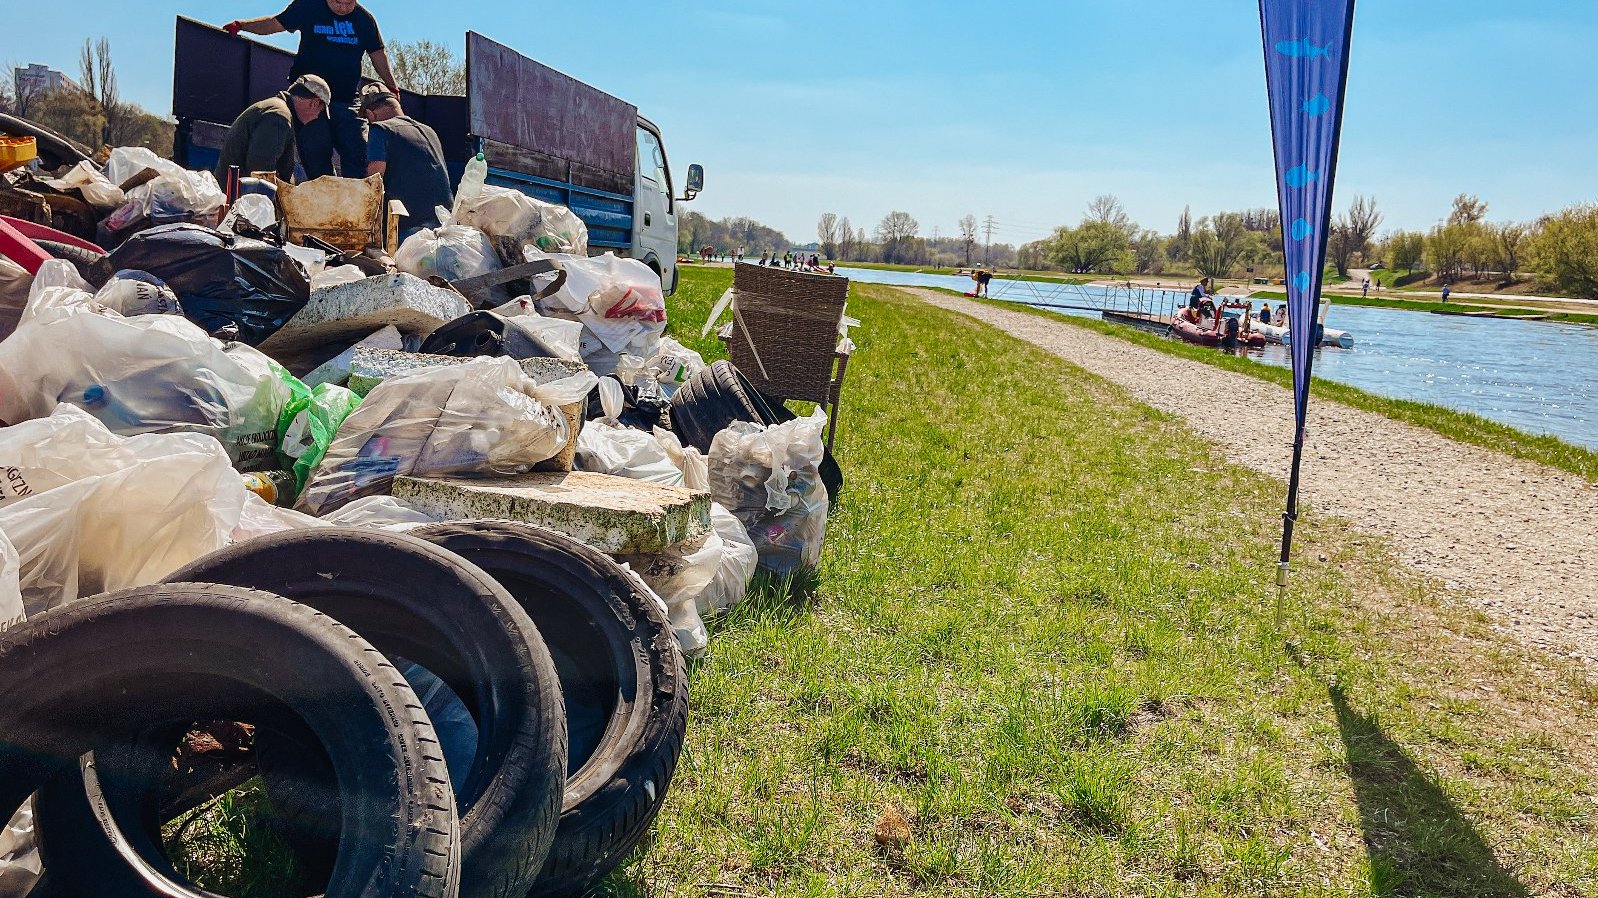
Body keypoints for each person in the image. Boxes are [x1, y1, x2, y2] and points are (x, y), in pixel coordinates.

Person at [226, 0, 399, 179]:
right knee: (316, 155)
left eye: (349, 3)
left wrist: (392, 86)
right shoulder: (308, 6)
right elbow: (275, 24)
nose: (344, 7)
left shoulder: (364, 19)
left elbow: (377, 53)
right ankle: (325, 194)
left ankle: (358, 199)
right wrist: (241, 25)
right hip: (311, 99)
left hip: (346, 100)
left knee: (359, 152)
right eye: (338, 2)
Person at [358, 84, 452, 237]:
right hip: (445, 224)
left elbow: (374, 181)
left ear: (370, 113)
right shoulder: (429, 131)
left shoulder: (380, 129)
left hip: (409, 230)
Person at [213, 74, 330, 184]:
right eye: (320, 112)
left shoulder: (276, 109)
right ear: (314, 103)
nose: (316, 117)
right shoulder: (279, 117)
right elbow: (260, 174)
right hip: (241, 201)